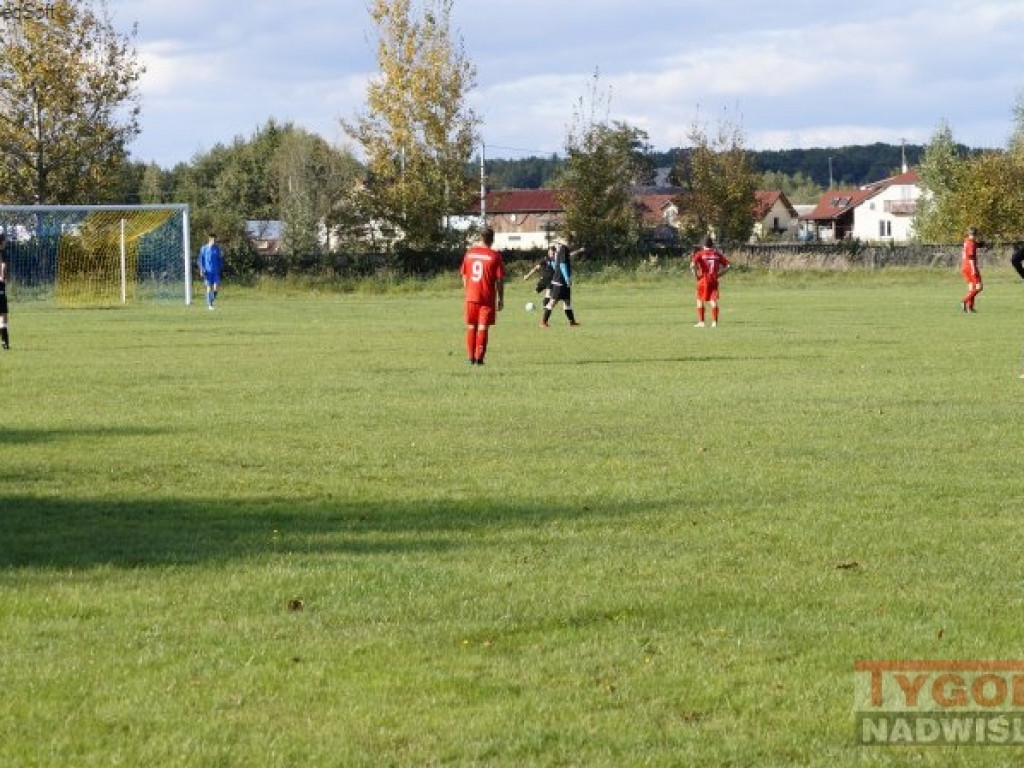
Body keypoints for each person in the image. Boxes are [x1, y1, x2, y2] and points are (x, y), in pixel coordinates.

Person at [460, 227, 505, 365]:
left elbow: (464, 275)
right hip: (486, 298)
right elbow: (499, 280)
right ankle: (479, 359)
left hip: (471, 296)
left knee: (471, 326)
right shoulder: (494, 256)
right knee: (482, 327)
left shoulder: (469, 254)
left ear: (480, 237)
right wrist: (500, 298)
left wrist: (468, 291)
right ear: (492, 239)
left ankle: (470, 358)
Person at [690, 235, 731, 327]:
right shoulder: (716, 254)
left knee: (700, 299)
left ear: (702, 244)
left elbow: (692, 265)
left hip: (703, 279)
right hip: (714, 280)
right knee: (713, 300)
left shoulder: (700, 254)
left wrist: (695, 274)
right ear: (712, 244)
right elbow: (728, 266)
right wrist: (720, 274)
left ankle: (701, 322)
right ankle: (714, 322)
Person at [540, 243, 582, 328]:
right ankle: (543, 322)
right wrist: (567, 278)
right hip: (560, 281)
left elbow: (565, 260)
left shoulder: (563, 250)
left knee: (567, 301)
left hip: (563, 282)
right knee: (553, 302)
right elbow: (562, 264)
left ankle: (572, 322)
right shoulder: (563, 249)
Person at [197, 233, 223, 310]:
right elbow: (200, 260)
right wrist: (201, 270)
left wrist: (220, 267)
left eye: (215, 240)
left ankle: (210, 301)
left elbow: (219, 259)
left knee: (215, 288)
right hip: (207, 272)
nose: (214, 241)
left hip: (215, 272)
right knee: (209, 288)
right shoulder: (204, 248)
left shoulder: (217, 248)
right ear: (210, 239)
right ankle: (210, 305)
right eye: (213, 240)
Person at [961, 227, 982, 313]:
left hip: (964, 267)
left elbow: (977, 245)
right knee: (979, 287)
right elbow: (970, 257)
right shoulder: (971, 244)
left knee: (971, 288)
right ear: (976, 234)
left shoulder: (967, 241)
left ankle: (970, 307)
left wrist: (981, 243)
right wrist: (974, 269)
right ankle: (964, 301)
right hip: (970, 266)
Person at [0, 233, 9, 349]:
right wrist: (2, 277)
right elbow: (3, 265)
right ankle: (4, 342)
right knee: (3, 314)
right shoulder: (2, 252)